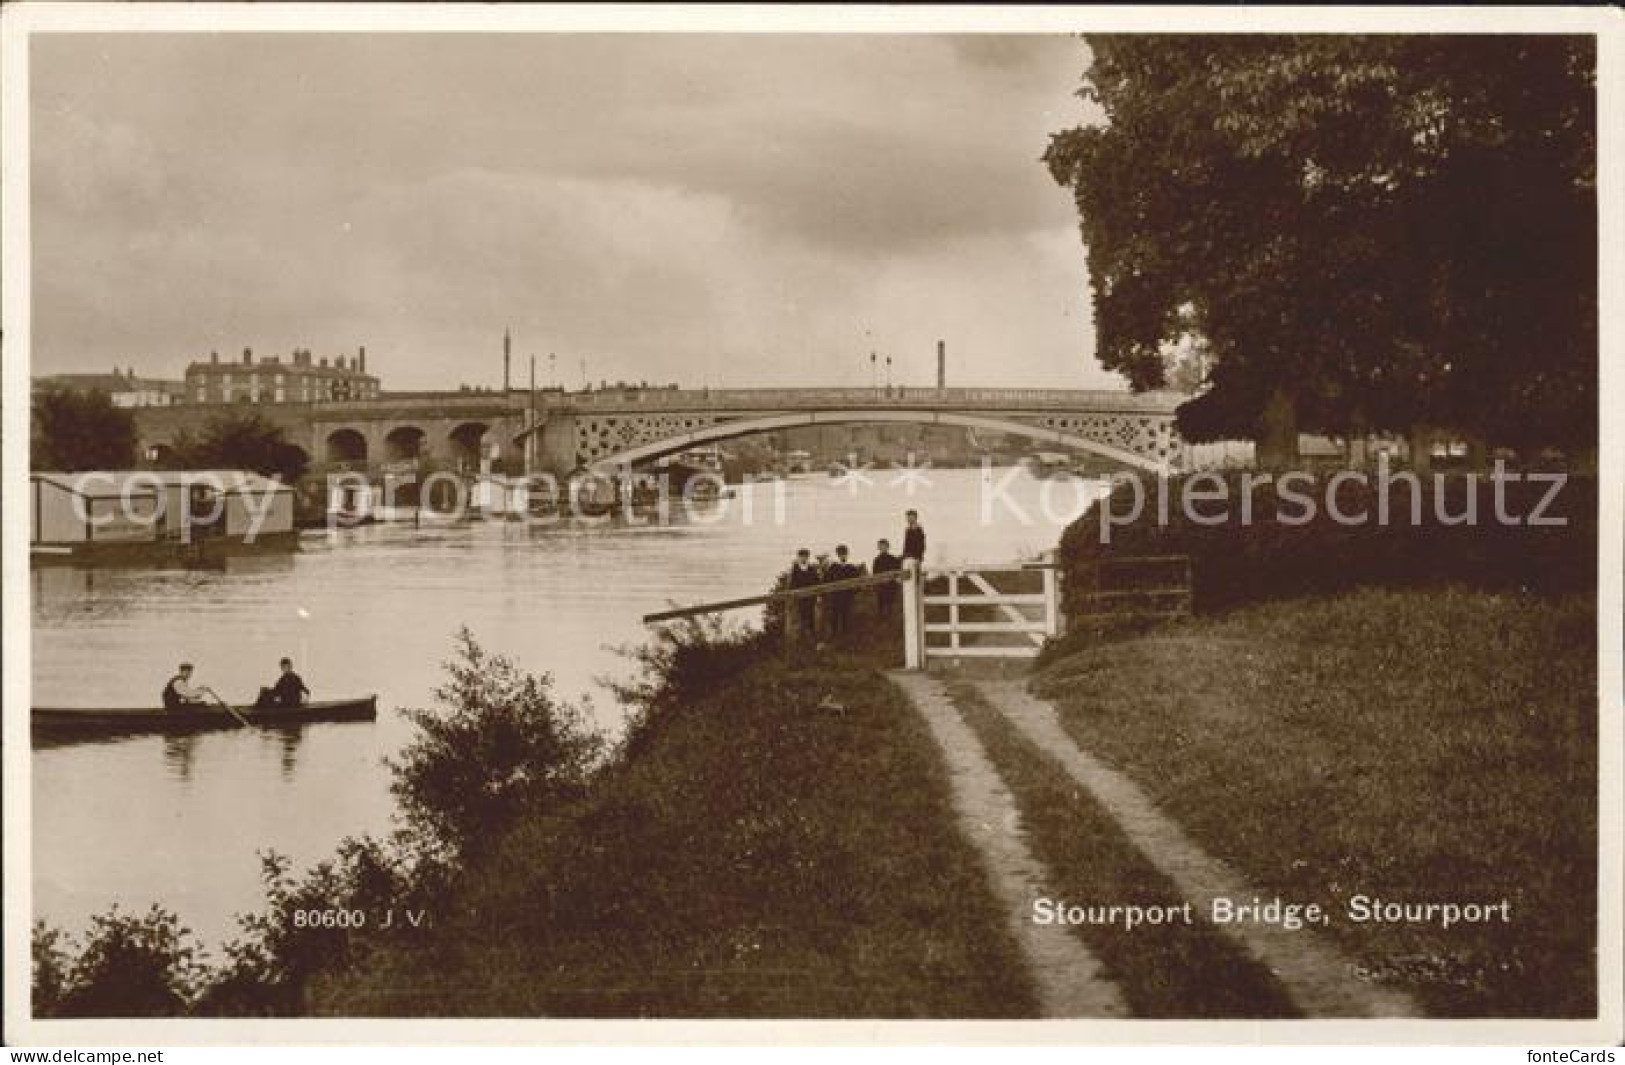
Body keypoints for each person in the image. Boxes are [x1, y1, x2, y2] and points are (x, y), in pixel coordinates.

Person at [827, 544, 864, 635]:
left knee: (846, 614)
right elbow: (827, 580)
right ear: (837, 555)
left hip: (847, 595)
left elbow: (857, 582)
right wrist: (831, 592)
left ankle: (845, 634)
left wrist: (854, 591)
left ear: (847, 554)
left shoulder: (851, 567)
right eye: (840, 554)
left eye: (844, 554)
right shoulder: (833, 567)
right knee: (835, 615)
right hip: (836, 596)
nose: (842, 556)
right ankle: (834, 633)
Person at [788, 548, 819, 635]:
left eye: (805, 557)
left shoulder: (812, 569)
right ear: (798, 558)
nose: (803, 558)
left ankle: (812, 636)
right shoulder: (795, 569)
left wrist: (816, 594)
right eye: (801, 557)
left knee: (811, 617)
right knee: (800, 617)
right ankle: (802, 637)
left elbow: (817, 582)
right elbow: (792, 585)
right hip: (800, 599)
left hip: (811, 598)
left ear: (808, 557)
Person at [872, 538, 902, 612]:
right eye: (881, 546)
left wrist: (894, 580)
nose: (883, 548)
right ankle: (881, 620)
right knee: (881, 607)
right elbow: (875, 574)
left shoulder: (893, 559)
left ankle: (890, 620)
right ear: (878, 548)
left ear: (888, 547)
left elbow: (897, 572)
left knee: (891, 606)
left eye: (884, 546)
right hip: (881, 587)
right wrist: (878, 583)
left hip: (891, 586)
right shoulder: (877, 560)